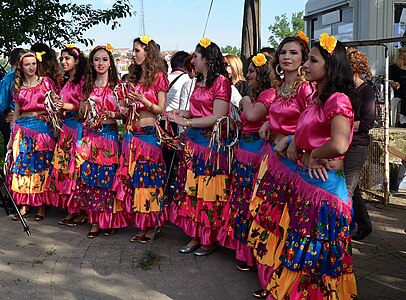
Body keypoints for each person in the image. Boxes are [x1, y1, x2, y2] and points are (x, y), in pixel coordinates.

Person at [261, 33, 358, 299]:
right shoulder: (319, 97)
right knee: (301, 256)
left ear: (330, 65)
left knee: (317, 262)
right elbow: (307, 131)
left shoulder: (338, 99)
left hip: (324, 191)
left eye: (313, 60)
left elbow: (338, 145)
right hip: (307, 186)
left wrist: (313, 154)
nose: (306, 65)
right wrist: (292, 140)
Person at [246, 32, 313, 299]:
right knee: (269, 219)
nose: (286, 57)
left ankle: (281, 283)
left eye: (293, 53)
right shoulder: (280, 87)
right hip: (271, 160)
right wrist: (268, 123)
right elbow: (279, 116)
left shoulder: (306, 88)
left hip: (293, 165)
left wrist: (290, 137)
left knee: (286, 223)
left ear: (303, 59)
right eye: (283, 52)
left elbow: (313, 123)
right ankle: (269, 278)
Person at [167, 38, 231, 256]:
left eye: (195, 56)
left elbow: (218, 116)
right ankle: (195, 235)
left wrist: (188, 122)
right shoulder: (199, 80)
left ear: (207, 58)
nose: (192, 59)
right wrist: (181, 114)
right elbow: (198, 110)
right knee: (193, 191)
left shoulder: (221, 81)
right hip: (193, 144)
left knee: (208, 193)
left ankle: (208, 238)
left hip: (210, 146)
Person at [217, 52, 273, 270]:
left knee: (252, 201)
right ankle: (243, 251)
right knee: (241, 199)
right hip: (245, 151)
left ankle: (252, 256)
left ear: (261, 74)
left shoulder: (267, 95)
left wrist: (245, 100)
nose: (248, 75)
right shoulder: (259, 94)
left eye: (251, 71)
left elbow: (250, 115)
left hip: (256, 154)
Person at [111, 36, 169, 243]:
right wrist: (126, 103)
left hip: (149, 136)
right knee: (134, 180)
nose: (133, 54)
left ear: (147, 52)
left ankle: (150, 223)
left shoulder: (159, 77)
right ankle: (139, 221)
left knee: (148, 181)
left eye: (137, 50)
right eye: (133, 50)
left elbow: (161, 109)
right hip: (131, 135)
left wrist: (143, 100)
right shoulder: (134, 77)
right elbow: (128, 107)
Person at [74, 44, 126, 238]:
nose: (100, 63)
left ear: (110, 63)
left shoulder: (118, 87)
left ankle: (110, 220)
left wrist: (113, 113)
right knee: (91, 179)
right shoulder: (87, 86)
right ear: (92, 63)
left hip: (109, 136)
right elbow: (80, 112)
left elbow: (125, 113)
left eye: (104, 59)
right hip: (91, 137)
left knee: (108, 179)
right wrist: (86, 108)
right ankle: (94, 221)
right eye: (97, 59)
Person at [8, 50, 59, 221]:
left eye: (34, 64)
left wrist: (57, 130)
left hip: (42, 128)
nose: (31, 67)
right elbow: (16, 114)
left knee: (41, 165)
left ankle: (41, 205)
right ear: (21, 67)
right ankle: (25, 205)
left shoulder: (46, 83)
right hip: (22, 130)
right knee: (23, 167)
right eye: (27, 64)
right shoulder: (18, 86)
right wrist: (10, 139)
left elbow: (54, 108)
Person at [48, 44, 88, 226]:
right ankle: (71, 208)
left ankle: (81, 210)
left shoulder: (83, 82)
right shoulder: (65, 82)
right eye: (62, 59)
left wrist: (65, 106)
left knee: (77, 169)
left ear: (77, 61)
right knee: (65, 169)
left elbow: (84, 107)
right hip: (66, 128)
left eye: (67, 59)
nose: (63, 62)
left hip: (79, 127)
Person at [344, 47, 375, 240]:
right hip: (345, 142)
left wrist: (341, 125)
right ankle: (364, 224)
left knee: (346, 188)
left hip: (357, 145)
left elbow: (367, 123)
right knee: (352, 189)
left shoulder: (366, 91)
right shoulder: (345, 90)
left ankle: (341, 229)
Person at [0, 48, 24, 155]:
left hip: (12, 120)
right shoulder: (30, 78)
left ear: (10, 60)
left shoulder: (7, 79)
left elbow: (2, 104)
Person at [389, 47, 406, 127]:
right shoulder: (393, 68)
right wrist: (393, 83)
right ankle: (402, 120)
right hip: (398, 89)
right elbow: (386, 80)